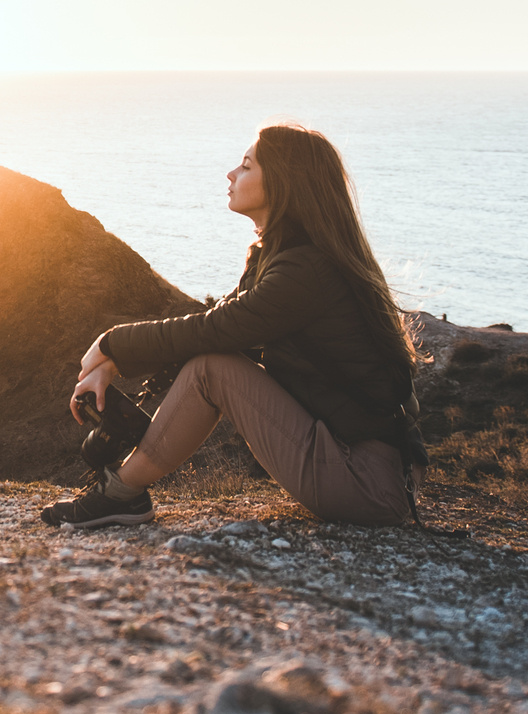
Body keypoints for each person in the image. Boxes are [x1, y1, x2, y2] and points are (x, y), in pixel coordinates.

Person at [42, 122, 426, 531]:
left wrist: (110, 345)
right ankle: (122, 493)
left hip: (367, 481)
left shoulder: (306, 271)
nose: (231, 174)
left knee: (212, 367)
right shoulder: (286, 256)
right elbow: (213, 329)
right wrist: (112, 364)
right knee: (211, 360)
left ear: (282, 183)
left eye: (245, 166)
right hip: (363, 469)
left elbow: (214, 330)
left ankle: (120, 494)